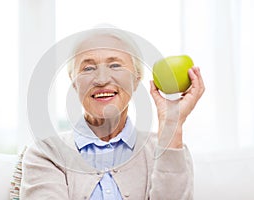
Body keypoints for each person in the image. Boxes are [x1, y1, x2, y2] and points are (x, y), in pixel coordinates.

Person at [20, 29, 205, 200]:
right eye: (88, 68)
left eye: (115, 65)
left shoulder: (168, 150)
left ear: (136, 78)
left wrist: (171, 125)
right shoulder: (47, 154)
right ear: (74, 82)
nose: (102, 80)